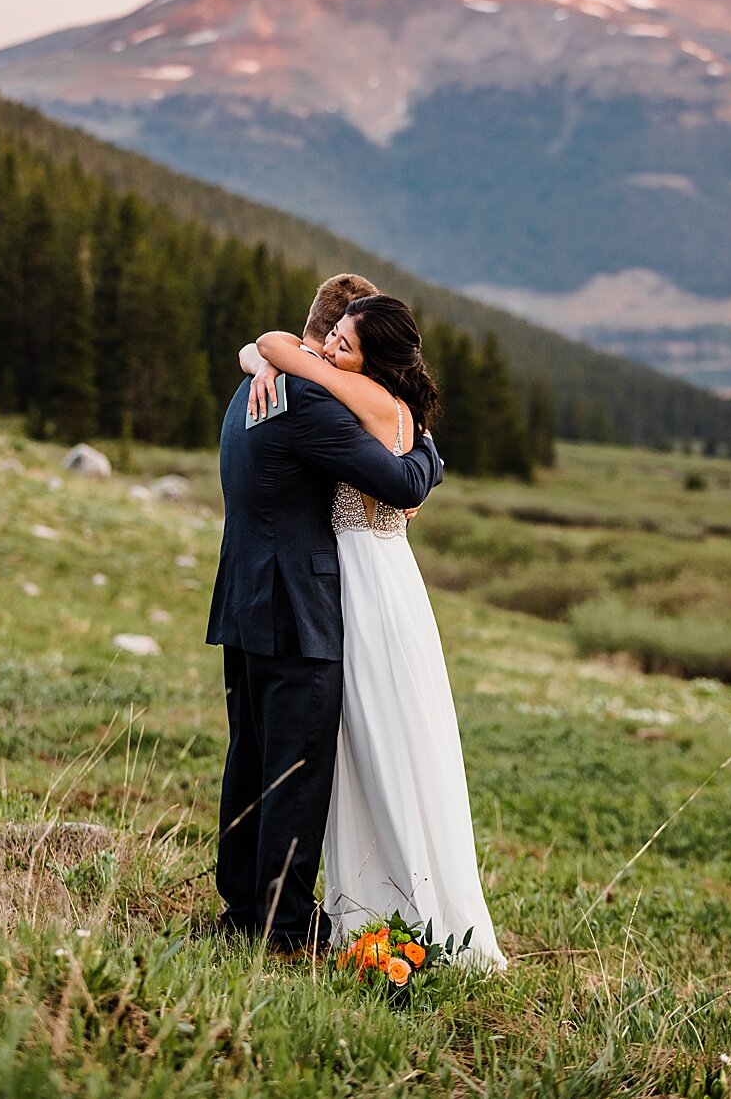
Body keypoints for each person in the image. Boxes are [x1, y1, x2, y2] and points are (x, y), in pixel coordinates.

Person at [249, 293, 505, 968]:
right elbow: (276, 347)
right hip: (372, 579)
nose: (331, 348)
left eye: (345, 342)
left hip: (365, 583)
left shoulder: (356, 396)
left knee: (379, 739)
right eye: (332, 333)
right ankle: (371, 900)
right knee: (370, 742)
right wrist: (272, 362)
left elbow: (276, 344)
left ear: (376, 361)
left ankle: (401, 905)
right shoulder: (394, 410)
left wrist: (279, 362)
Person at [206, 274, 442, 953]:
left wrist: (258, 353)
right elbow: (400, 484)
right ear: (342, 340)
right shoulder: (308, 399)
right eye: (343, 341)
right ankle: (280, 929)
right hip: (296, 610)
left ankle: (244, 912)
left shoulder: (252, 384)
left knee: (250, 761)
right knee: (295, 773)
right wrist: (428, 445)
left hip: (245, 599)